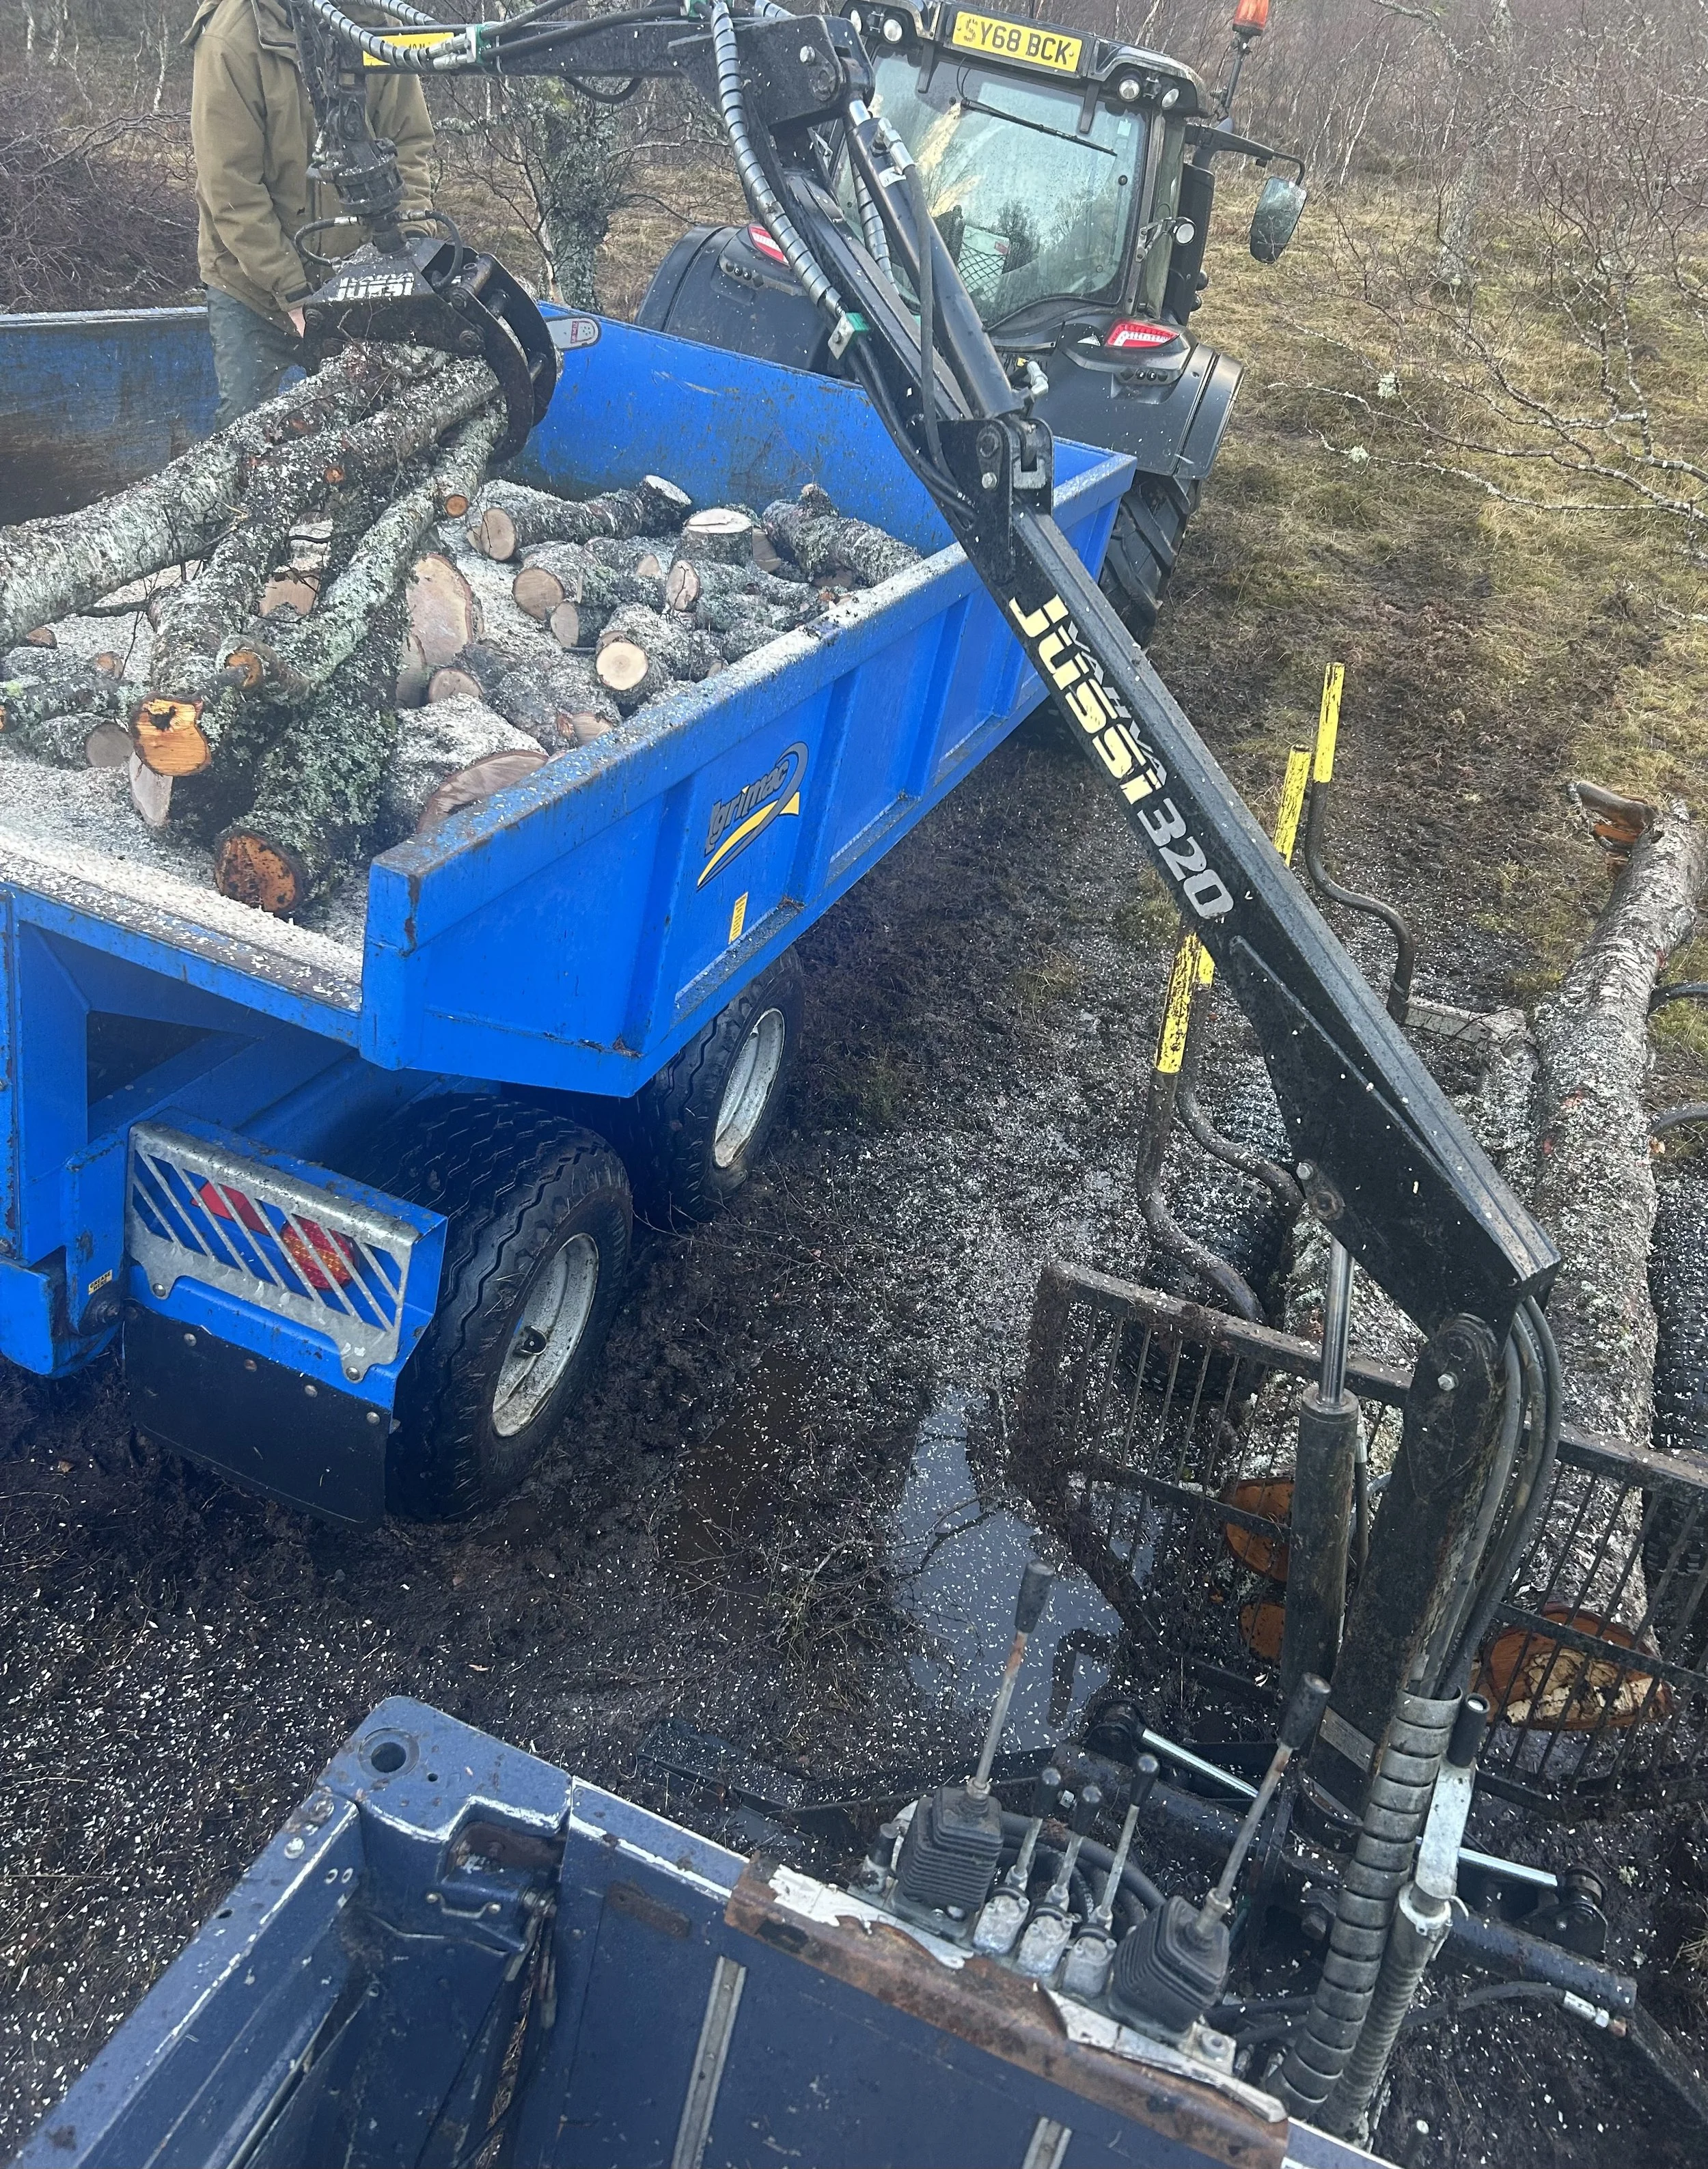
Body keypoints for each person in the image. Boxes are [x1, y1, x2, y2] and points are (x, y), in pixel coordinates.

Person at [187, 0, 436, 429]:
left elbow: (409, 146)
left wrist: (407, 248)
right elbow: (232, 189)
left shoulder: (375, 25)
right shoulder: (230, 39)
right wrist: (294, 292)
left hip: (355, 277)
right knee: (245, 430)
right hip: (251, 282)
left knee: (375, 429)